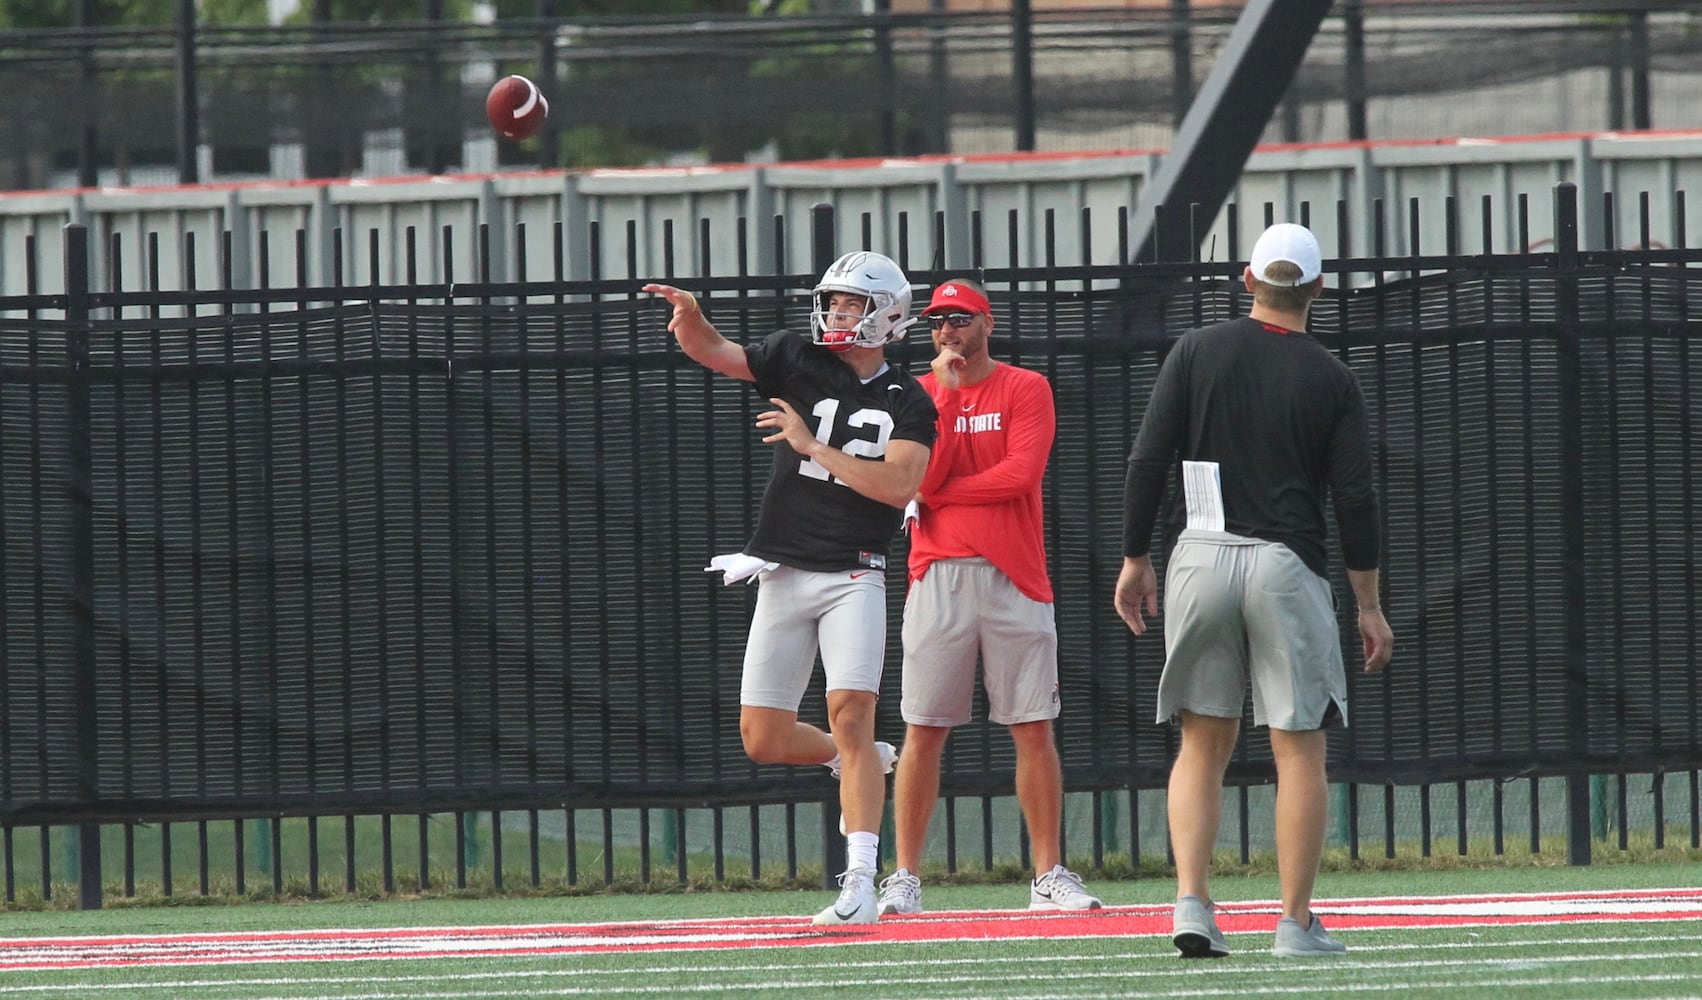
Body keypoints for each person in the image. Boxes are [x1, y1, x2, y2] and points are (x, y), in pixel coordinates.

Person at [1113, 223, 1395, 959]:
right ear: (1318, 289)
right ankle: (1295, 923)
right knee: (1298, 749)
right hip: (1284, 564)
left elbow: (1147, 461)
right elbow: (1356, 501)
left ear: (1246, 280)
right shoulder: (1332, 377)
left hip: (1199, 558)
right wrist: (1367, 604)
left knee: (1201, 743)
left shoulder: (1196, 350)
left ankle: (1192, 903)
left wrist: (1135, 557)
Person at [641, 251, 936, 925]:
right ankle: (855, 761)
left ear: (887, 315)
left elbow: (897, 487)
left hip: (854, 570)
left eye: (852, 304)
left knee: (852, 715)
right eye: (832, 301)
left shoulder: (908, 399)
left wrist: (811, 445)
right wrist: (691, 320)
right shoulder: (798, 355)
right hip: (782, 568)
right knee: (763, 738)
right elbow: (716, 352)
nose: (836, 313)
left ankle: (860, 879)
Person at [876, 278, 1102, 917]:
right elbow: (922, 473)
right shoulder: (919, 394)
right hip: (938, 573)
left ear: (988, 323)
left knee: (1033, 727)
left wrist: (937, 495)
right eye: (938, 323)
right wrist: (944, 400)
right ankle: (905, 877)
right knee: (923, 728)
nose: (947, 332)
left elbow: (1019, 476)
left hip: (1015, 575)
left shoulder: (1026, 387)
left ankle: (1047, 873)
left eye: (960, 320)